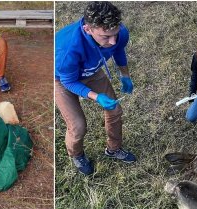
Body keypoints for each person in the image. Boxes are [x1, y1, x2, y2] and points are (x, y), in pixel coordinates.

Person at [55, 1, 136, 175]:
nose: (112, 41)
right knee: (77, 126)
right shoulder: (67, 48)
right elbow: (69, 82)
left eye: (115, 34)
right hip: (62, 80)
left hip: (91, 72)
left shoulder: (119, 34)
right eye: (105, 37)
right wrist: (96, 96)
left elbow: (118, 49)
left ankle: (114, 149)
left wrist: (125, 76)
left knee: (115, 110)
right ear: (88, 29)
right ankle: (76, 154)